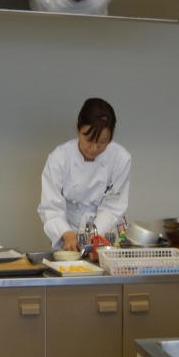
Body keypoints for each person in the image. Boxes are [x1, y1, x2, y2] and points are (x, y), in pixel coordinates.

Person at [38, 98, 131, 251]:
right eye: (89, 139)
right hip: (68, 233)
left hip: (105, 233)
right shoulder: (59, 158)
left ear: (111, 137)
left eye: (102, 142)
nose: (94, 148)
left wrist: (93, 235)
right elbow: (51, 207)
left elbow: (113, 206)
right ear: (78, 128)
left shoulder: (120, 158)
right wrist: (66, 233)